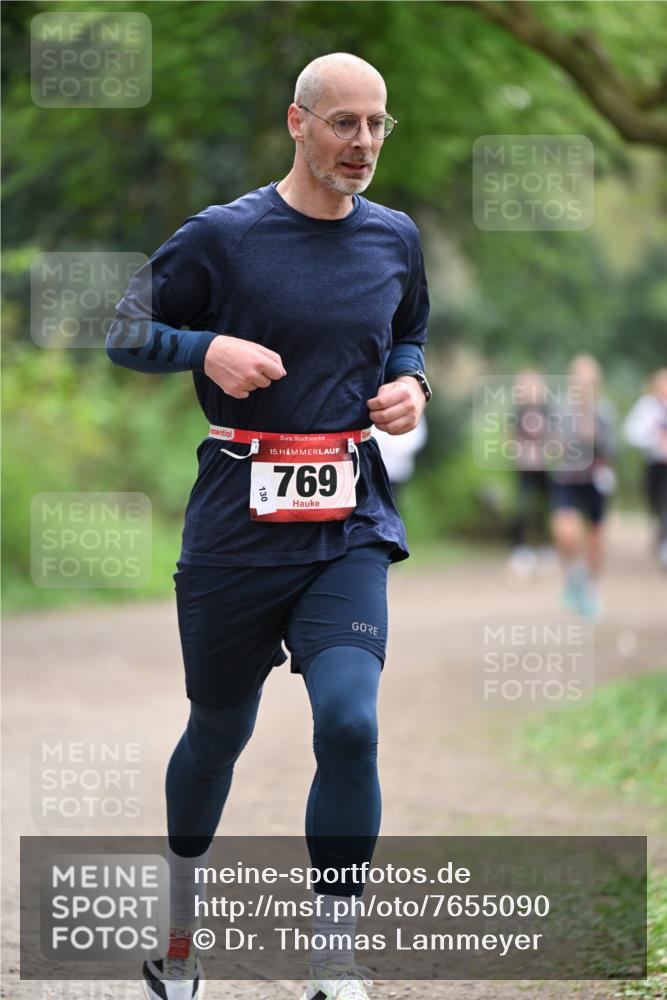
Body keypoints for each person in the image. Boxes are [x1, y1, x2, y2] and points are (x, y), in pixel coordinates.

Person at [106, 52, 431, 1000]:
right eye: (343, 124)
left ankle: (334, 961)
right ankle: (176, 939)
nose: (363, 143)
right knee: (217, 731)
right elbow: (126, 330)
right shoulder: (225, 237)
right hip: (237, 523)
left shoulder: (396, 239)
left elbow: (407, 331)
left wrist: (411, 383)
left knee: (350, 723)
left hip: (347, 517)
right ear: (298, 123)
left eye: (377, 125)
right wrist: (206, 345)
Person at [549, 355, 616, 619]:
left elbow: (611, 450)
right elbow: (551, 443)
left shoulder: (604, 412)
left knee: (595, 539)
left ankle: (590, 590)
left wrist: (596, 440)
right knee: (565, 531)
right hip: (567, 477)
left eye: (587, 381)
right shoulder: (561, 410)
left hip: (595, 480)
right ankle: (574, 575)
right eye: (577, 380)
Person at [507, 368, 555, 578]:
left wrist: (546, 452)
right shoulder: (518, 412)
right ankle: (521, 548)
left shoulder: (548, 411)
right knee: (524, 506)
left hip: (545, 468)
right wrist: (522, 451)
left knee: (546, 507)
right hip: (525, 467)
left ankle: (547, 547)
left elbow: (556, 438)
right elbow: (510, 440)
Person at [623, 368, 667, 570]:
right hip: (656, 464)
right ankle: (661, 533)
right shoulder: (647, 406)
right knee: (656, 503)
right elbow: (631, 432)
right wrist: (653, 438)